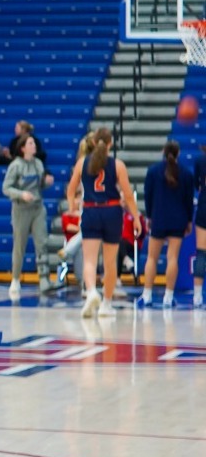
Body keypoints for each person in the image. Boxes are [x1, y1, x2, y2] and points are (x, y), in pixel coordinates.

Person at [66, 128, 140, 318]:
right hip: (112, 211)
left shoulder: (82, 162)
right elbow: (129, 196)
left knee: (89, 260)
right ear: (110, 144)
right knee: (110, 262)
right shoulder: (118, 165)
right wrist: (137, 218)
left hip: (91, 209)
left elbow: (71, 188)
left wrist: (72, 206)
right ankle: (106, 304)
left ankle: (91, 292)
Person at [139, 140, 193, 309]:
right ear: (178, 154)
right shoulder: (186, 173)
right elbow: (188, 201)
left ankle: (146, 295)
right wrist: (189, 220)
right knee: (172, 258)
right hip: (178, 220)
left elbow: (147, 195)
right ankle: (168, 298)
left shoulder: (153, 171)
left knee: (152, 258)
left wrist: (149, 216)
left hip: (158, 218)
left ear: (163, 151)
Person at [2, 133, 49, 297]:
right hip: (21, 210)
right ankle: (15, 278)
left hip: (37, 207)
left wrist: (46, 182)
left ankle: (44, 278)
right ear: (23, 148)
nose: (34, 145)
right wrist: (21, 194)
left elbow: (40, 185)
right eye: (30, 143)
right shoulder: (15, 165)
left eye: (34, 143)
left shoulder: (38, 164)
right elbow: (6, 188)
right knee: (19, 245)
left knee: (42, 242)